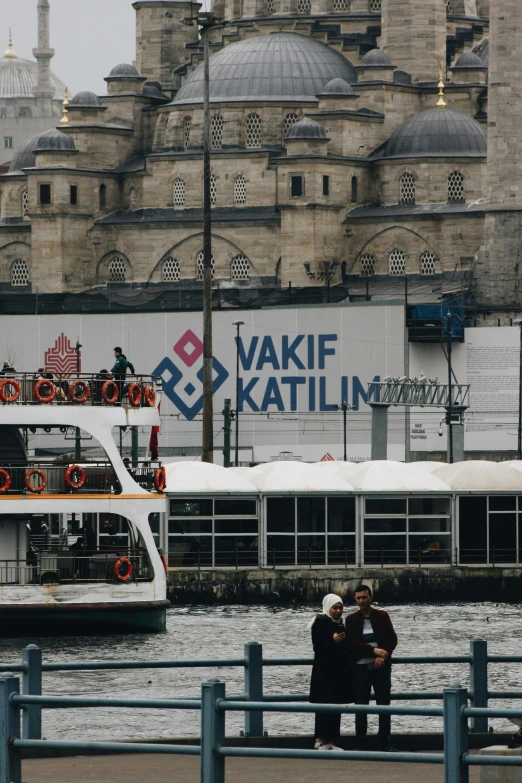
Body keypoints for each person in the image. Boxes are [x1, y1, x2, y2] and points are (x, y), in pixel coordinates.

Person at [345, 584, 398, 752]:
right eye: (359, 598)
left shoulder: (382, 616)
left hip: (381, 667)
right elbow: (352, 644)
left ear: (371, 598)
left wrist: (384, 655)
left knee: (384, 705)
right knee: (361, 706)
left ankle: (385, 741)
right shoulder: (351, 620)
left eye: (364, 597)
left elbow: (392, 638)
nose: (362, 601)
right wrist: (373, 650)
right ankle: (361, 742)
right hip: (361, 668)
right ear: (355, 599)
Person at [309, 593, 352, 752]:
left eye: (341, 608)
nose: (338, 611)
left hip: (337, 672)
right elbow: (317, 647)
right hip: (323, 672)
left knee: (335, 706)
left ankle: (332, 739)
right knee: (323, 706)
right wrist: (332, 641)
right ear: (328, 607)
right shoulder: (319, 622)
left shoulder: (340, 623)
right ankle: (321, 740)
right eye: (335, 607)